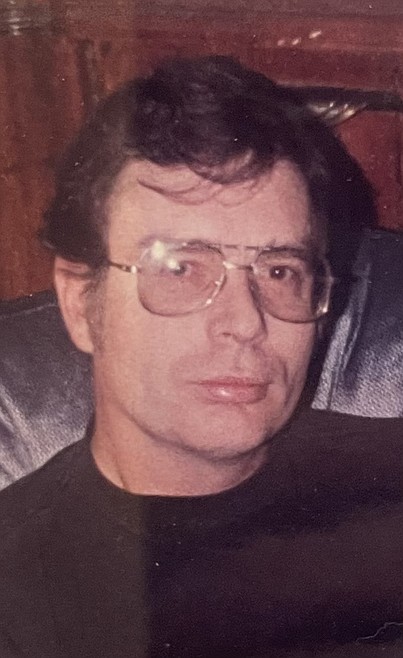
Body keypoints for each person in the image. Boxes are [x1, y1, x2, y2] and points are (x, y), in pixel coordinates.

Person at [0, 56, 401, 657]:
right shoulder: (16, 597)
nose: (246, 322)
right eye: (182, 268)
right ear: (82, 305)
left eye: (279, 270)